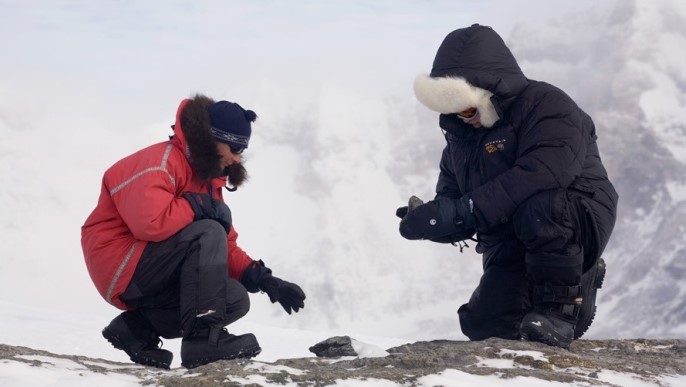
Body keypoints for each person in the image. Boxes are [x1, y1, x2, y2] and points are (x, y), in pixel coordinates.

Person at [397, 24, 618, 349]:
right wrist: (431, 221)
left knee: (540, 206)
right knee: (484, 325)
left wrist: (460, 211)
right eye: (452, 111)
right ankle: (553, 294)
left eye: (469, 109)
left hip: (573, 216)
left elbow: (542, 174)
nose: (462, 119)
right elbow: (457, 204)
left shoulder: (548, 106)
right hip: (510, 236)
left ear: (492, 93)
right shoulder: (459, 142)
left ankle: (563, 307)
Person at [81, 94, 306, 369]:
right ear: (212, 138)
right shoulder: (162, 162)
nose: (237, 158)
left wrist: (263, 279)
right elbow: (150, 223)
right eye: (234, 148)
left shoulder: (207, 182)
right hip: (120, 261)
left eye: (242, 151)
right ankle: (202, 342)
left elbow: (223, 246)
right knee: (208, 231)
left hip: (150, 267)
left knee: (234, 298)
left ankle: (136, 329)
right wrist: (198, 205)